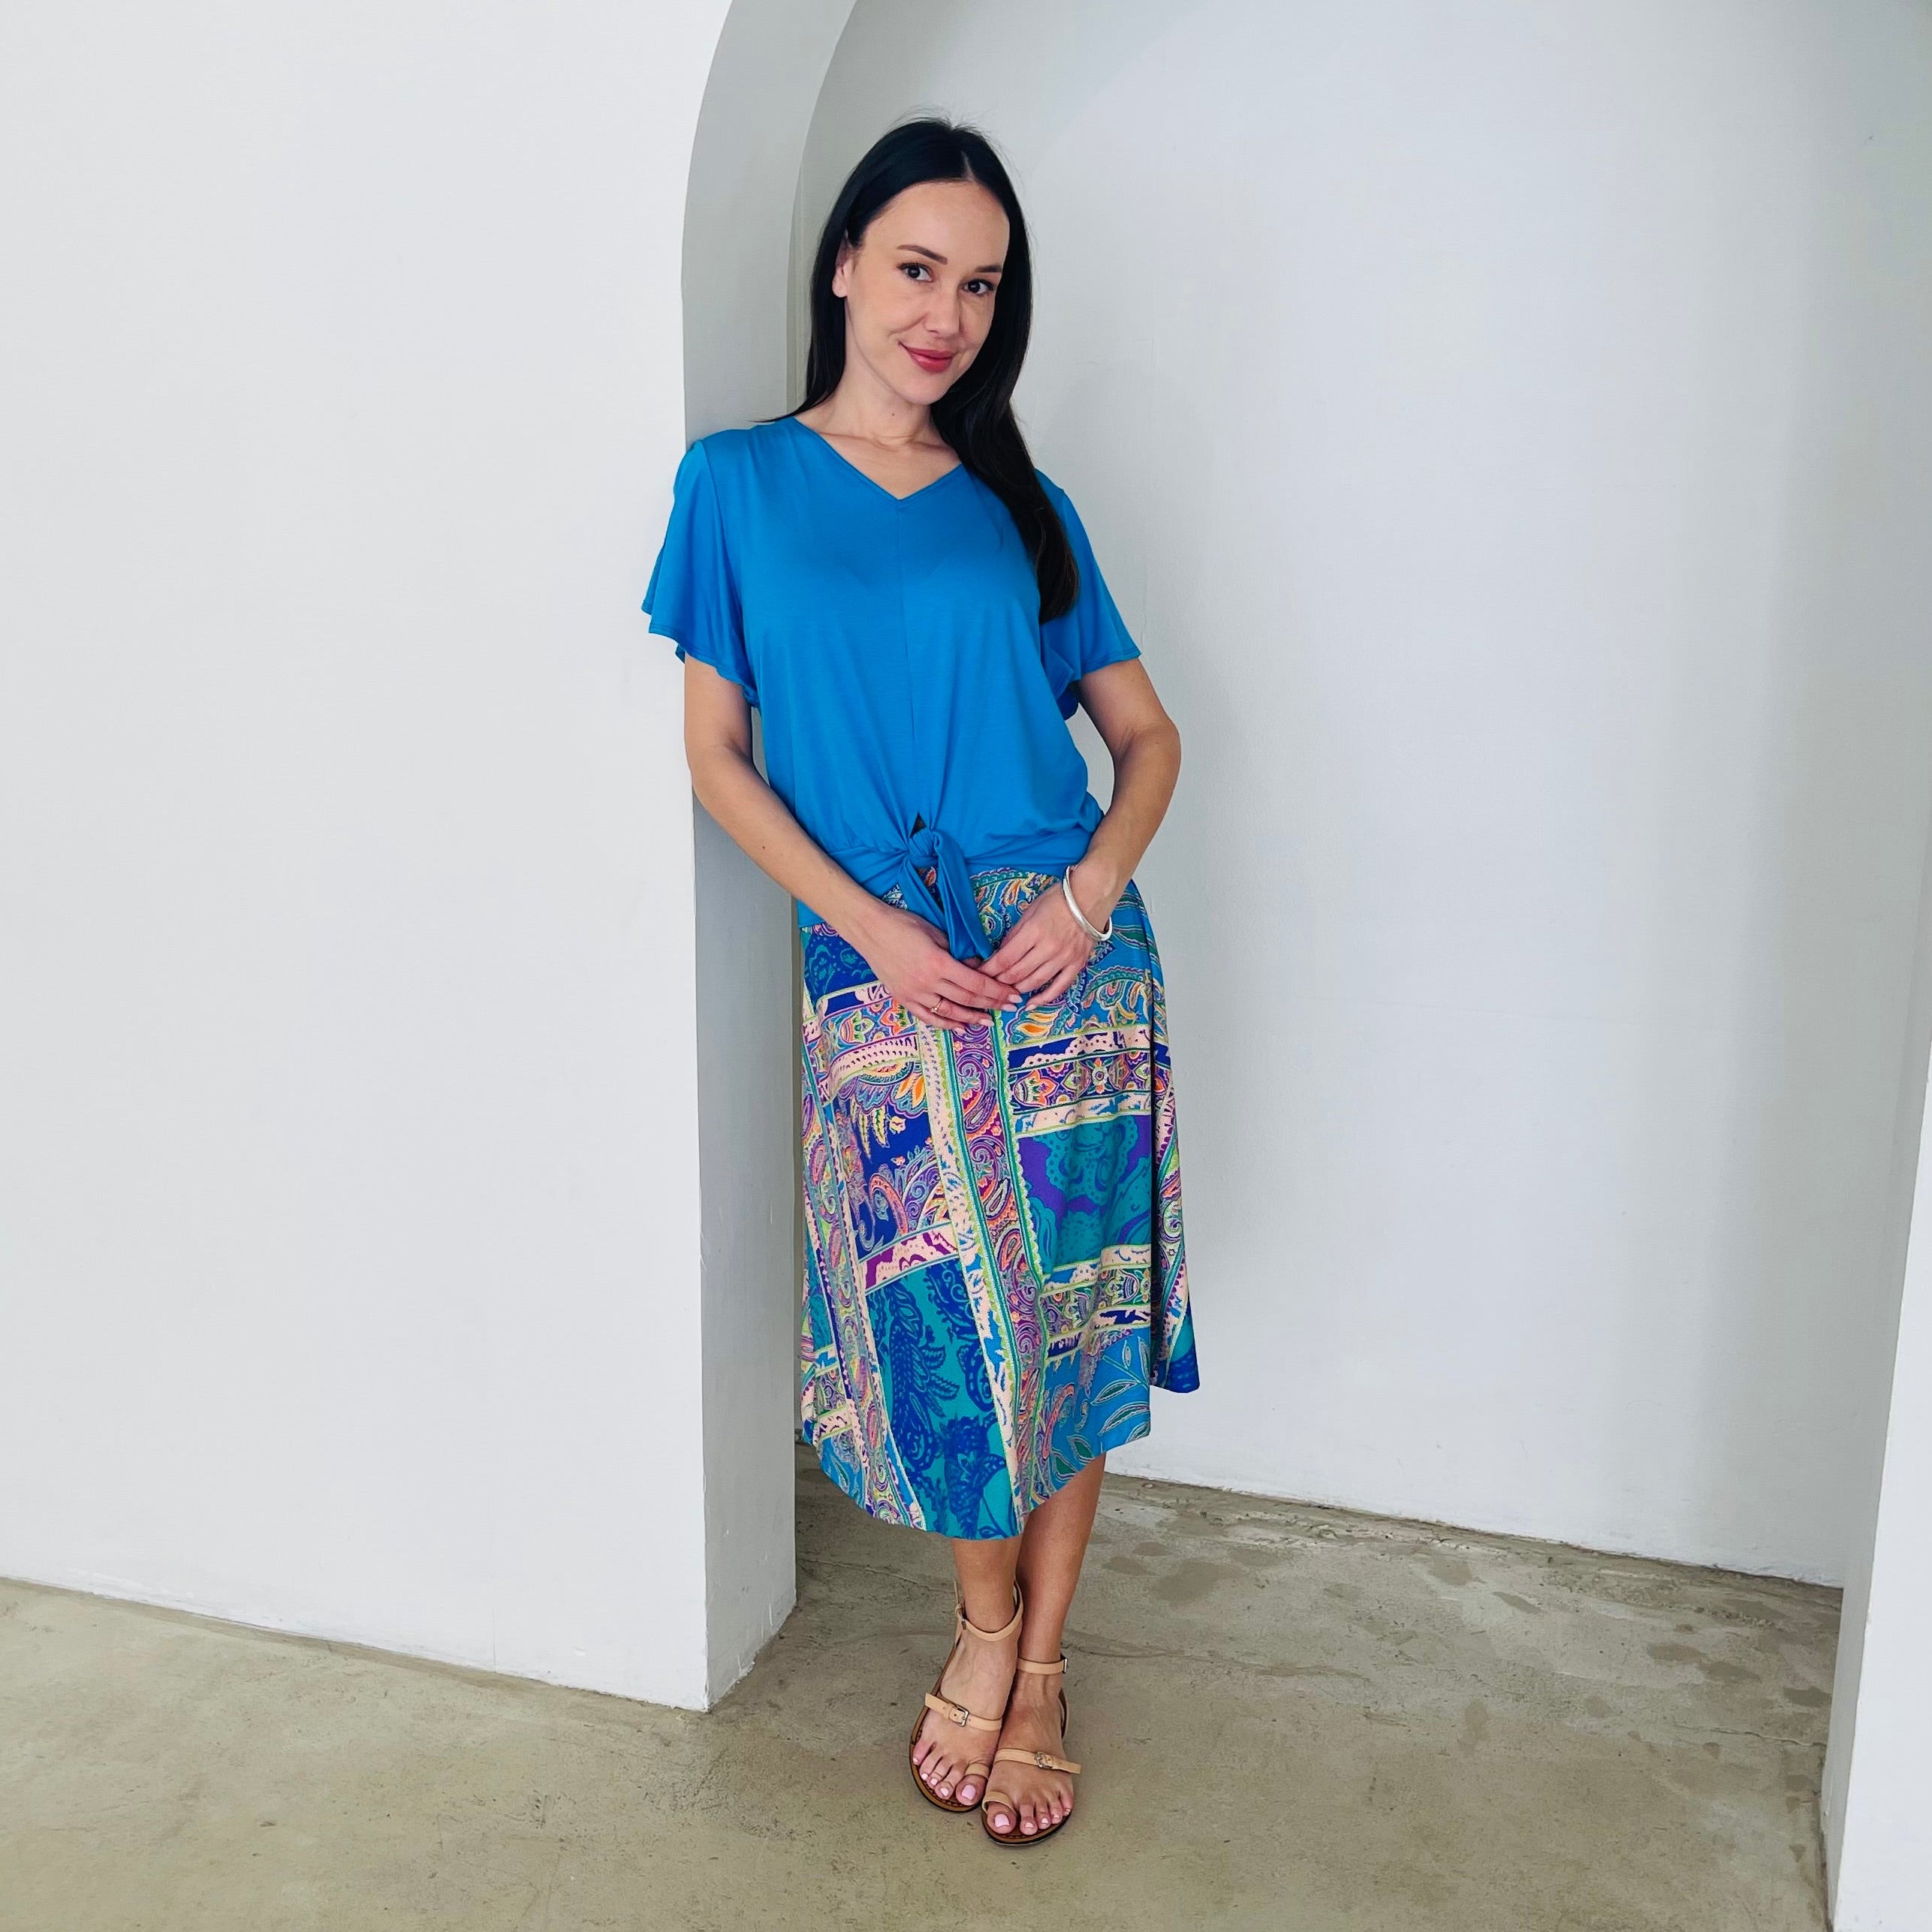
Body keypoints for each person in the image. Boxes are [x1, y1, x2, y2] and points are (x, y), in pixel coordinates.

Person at [642, 117, 1200, 1846]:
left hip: (1065, 966)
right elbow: (720, 758)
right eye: (915, 269)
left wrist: (1095, 892)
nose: (945, 313)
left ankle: (1039, 1675)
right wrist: (870, 933)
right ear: (841, 265)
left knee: (1075, 1321)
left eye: (980, 284)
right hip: (889, 979)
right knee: (948, 1334)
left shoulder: (1024, 508)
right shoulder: (735, 487)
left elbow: (1149, 739)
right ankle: (979, 1623)